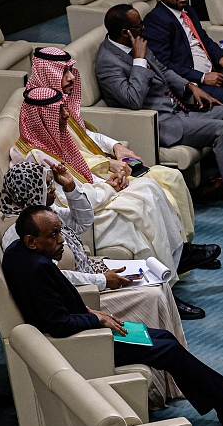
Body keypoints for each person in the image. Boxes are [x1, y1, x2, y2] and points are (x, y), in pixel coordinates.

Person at [3, 205, 223, 426]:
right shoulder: (36, 268)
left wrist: (89, 311)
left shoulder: (18, 253)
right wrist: (96, 320)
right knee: (167, 349)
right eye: (52, 236)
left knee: (165, 338)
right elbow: (57, 324)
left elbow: (54, 305)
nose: (61, 240)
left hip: (86, 332)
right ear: (31, 241)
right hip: (83, 345)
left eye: (59, 232)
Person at [0, 162, 192, 406]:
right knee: (154, 302)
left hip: (86, 292)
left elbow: (83, 222)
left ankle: (187, 386)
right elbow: (57, 287)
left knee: (162, 319)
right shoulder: (22, 239)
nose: (52, 189)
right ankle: (178, 389)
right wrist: (100, 286)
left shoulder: (44, 218)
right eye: (47, 185)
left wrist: (70, 189)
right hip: (85, 300)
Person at [26, 46, 212, 258]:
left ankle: (183, 249)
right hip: (93, 184)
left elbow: (86, 136)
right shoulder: (42, 116)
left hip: (96, 178)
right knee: (150, 194)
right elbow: (68, 188)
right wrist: (107, 171)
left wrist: (116, 147)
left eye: (71, 71)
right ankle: (177, 258)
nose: (70, 78)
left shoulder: (57, 108)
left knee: (170, 179)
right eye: (63, 73)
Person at [12, 87, 191, 289]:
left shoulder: (52, 139)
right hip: (93, 216)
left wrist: (106, 185)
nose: (66, 115)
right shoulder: (37, 159)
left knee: (149, 187)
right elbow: (67, 206)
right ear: (43, 119)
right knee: (142, 205)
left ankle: (176, 263)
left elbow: (79, 187)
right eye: (59, 111)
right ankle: (164, 282)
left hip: (90, 205)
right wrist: (108, 188)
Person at [95, 4, 223, 231]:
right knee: (222, 130)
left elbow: (163, 70)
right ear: (126, 32)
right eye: (139, 26)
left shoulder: (137, 42)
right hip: (160, 123)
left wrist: (190, 86)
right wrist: (139, 60)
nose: (144, 29)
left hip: (178, 109)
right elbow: (132, 100)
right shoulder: (108, 61)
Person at [144, 0, 223, 104]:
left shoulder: (189, 11)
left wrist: (220, 56)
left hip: (214, 77)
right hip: (192, 85)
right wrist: (202, 77)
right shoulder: (156, 20)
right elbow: (164, 65)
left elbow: (204, 39)